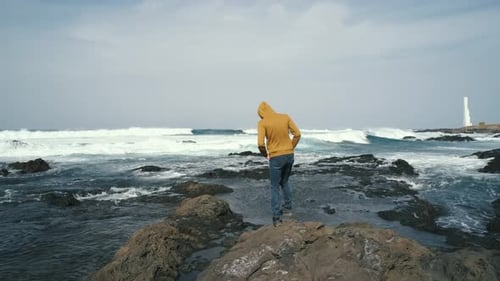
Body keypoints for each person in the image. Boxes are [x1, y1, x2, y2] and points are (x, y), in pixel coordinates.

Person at [257, 101, 301, 226]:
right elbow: (297, 134)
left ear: (261, 113)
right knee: (285, 182)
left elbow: (260, 144)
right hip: (289, 155)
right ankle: (288, 210)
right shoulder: (285, 117)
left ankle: (276, 218)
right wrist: (290, 148)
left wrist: (266, 154)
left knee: (274, 186)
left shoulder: (262, 123)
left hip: (276, 157)